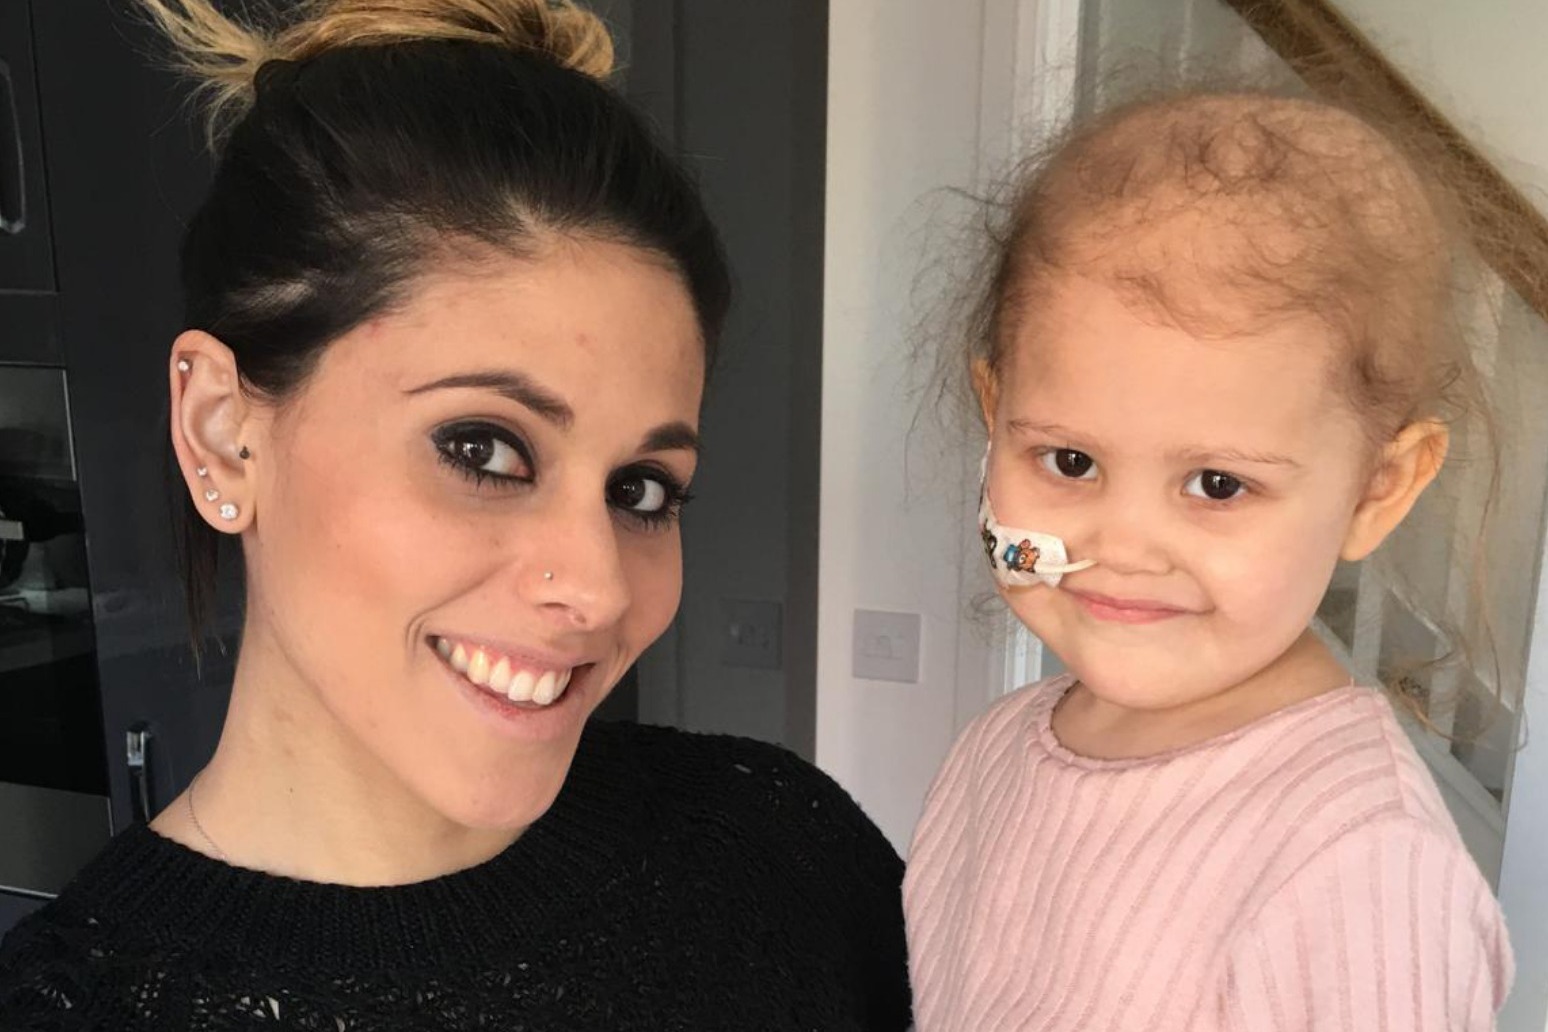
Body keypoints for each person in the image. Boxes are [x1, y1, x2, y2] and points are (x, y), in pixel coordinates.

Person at [0, 2, 911, 1029]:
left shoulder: (784, 855)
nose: (599, 587)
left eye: (641, 490)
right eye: (481, 449)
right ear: (221, 432)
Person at [904, 91, 1516, 1030]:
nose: (1123, 547)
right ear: (997, 417)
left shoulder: (1361, 861)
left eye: (1218, 484)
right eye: (1069, 462)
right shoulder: (995, 750)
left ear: (1377, 490)